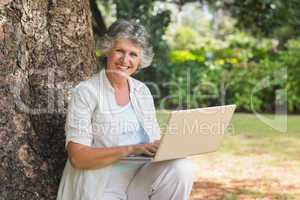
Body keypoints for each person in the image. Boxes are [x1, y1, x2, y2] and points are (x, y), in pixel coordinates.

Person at [57, 20, 197, 200]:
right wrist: (131, 149)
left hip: (138, 179)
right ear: (108, 50)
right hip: (100, 185)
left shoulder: (142, 91)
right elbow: (78, 158)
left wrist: (168, 145)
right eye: (120, 51)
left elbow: (151, 140)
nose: (125, 60)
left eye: (133, 54)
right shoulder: (86, 92)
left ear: (140, 61)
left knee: (181, 167)